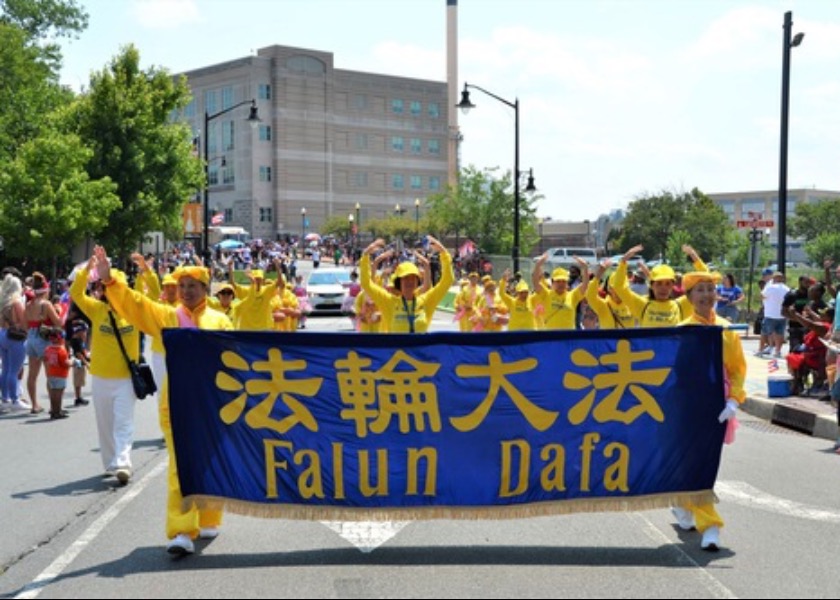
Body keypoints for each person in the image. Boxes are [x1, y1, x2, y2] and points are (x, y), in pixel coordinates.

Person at [90, 245, 232, 556]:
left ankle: (208, 517)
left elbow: (234, 359)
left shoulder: (221, 321)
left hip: (212, 405)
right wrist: (111, 282)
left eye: (192, 286)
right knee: (180, 467)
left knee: (208, 462)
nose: (185, 291)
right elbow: (138, 305)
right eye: (181, 286)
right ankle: (182, 530)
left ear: (205, 289)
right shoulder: (169, 316)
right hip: (178, 402)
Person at [673, 270, 745, 552]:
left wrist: (734, 401)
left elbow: (738, 369)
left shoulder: (727, 330)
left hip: (718, 407)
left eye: (709, 289)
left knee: (704, 463)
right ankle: (710, 523)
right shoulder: (682, 331)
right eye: (699, 290)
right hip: (690, 407)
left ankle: (683, 500)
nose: (705, 295)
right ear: (689, 297)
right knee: (697, 463)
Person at [69, 266, 140, 486]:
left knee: (123, 422)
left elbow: (155, 296)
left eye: (115, 287)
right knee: (105, 423)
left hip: (126, 379)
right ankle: (111, 462)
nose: (110, 291)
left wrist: (146, 273)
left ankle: (124, 462)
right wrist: (87, 270)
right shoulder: (97, 309)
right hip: (100, 377)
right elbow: (76, 294)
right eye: (106, 287)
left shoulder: (135, 311)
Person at [359, 236, 452, 333]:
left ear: (417, 282)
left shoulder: (426, 300)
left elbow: (447, 281)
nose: (410, 282)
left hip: (420, 348)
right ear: (399, 282)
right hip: (396, 348)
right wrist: (366, 255)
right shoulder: (389, 301)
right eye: (406, 278)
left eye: (413, 278)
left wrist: (443, 253)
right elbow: (366, 283)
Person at [23, 272, 64, 414]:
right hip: (44, 339)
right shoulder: (46, 304)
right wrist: (60, 310)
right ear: (46, 290)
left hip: (31, 337)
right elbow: (59, 323)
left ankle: (34, 405)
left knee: (32, 374)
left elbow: (24, 325)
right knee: (50, 374)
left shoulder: (28, 304)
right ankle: (54, 407)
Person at [0, 273, 28, 411]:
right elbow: (24, 321)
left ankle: (4, 398)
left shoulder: (3, 303)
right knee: (14, 370)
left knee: (5, 369)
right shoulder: (16, 302)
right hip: (15, 336)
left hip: (2, 334)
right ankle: (15, 399)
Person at [43, 328, 72, 419]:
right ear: (61, 339)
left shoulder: (48, 349)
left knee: (53, 392)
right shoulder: (62, 350)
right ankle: (57, 411)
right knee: (59, 393)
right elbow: (65, 363)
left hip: (51, 373)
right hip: (60, 374)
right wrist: (73, 362)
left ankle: (53, 410)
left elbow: (45, 359)